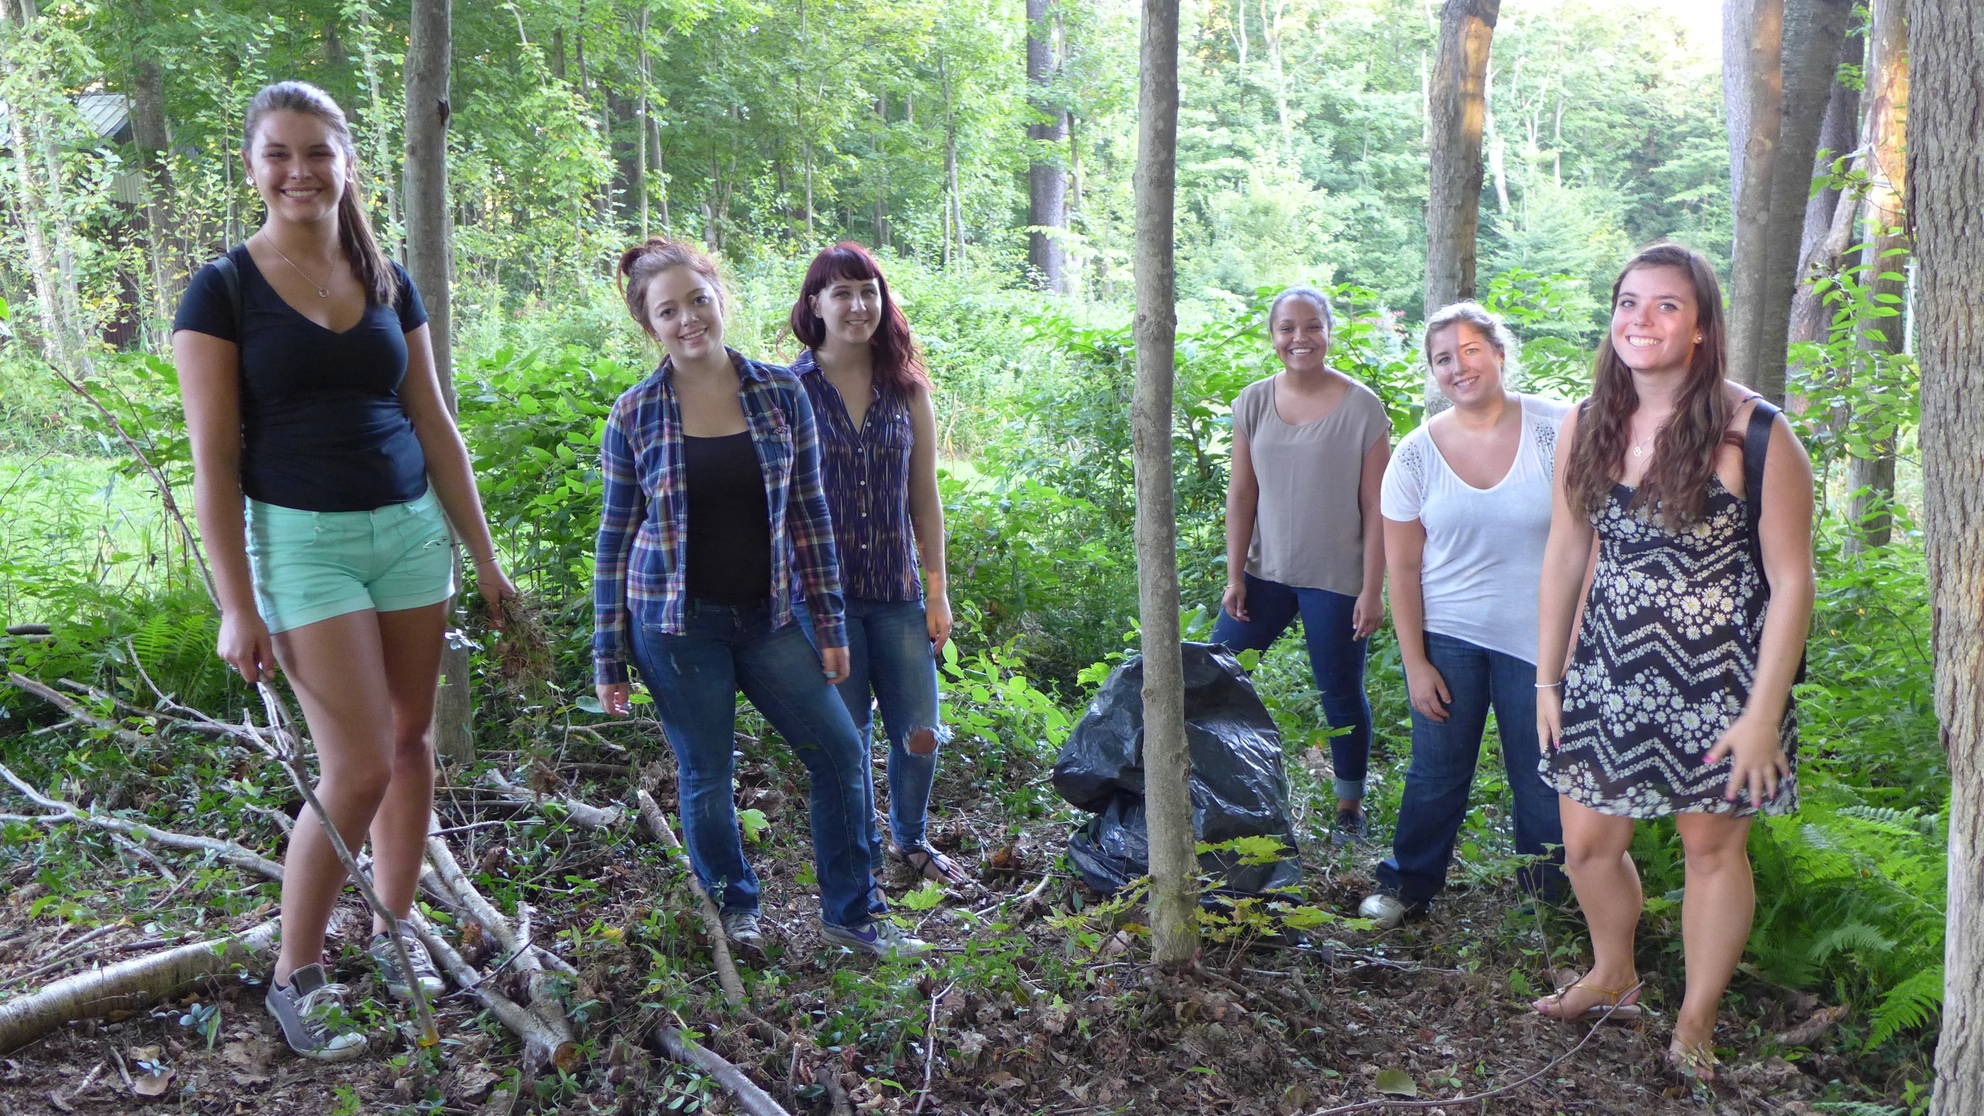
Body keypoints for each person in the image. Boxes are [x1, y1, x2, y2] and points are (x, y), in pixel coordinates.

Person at [173, 81, 515, 1061]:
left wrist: (485, 560)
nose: (299, 171)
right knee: (357, 762)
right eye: (278, 153)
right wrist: (236, 606)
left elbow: (435, 426)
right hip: (303, 546)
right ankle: (298, 974)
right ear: (252, 166)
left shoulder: (387, 276)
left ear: (348, 162)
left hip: (410, 537)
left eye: (317, 152)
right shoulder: (222, 290)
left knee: (410, 744)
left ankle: (395, 930)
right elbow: (216, 459)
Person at [592, 237, 924, 961]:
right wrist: (607, 655)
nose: (689, 320)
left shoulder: (781, 394)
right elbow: (615, 539)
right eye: (668, 311)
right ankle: (734, 909)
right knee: (708, 772)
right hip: (676, 628)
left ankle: (852, 917)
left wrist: (831, 626)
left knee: (839, 752)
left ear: (721, 298)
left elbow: (811, 517)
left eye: (698, 300)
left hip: (771, 620)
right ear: (649, 325)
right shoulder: (636, 414)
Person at [1532, 243, 1814, 1081]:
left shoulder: (1756, 432)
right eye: (1628, 303)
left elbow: (1793, 581)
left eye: (1665, 306)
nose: (1641, 320)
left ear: (1699, 327)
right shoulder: (1586, 422)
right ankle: (1612, 972)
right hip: (1607, 672)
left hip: (1725, 684)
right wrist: (1547, 677)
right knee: (1586, 844)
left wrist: (1762, 717)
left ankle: (1695, 1020)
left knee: (1711, 853)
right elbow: (1564, 550)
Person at [1358, 302, 1567, 928]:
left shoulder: (1558, 428)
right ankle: (1408, 887)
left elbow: (1590, 533)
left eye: (1471, 350)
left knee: (1541, 776)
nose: (1459, 366)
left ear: (1501, 353)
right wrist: (1416, 661)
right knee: (1437, 771)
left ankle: (1549, 905)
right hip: (1449, 635)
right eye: (1443, 359)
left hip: (1541, 639)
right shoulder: (1417, 454)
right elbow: (1402, 566)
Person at [787, 242, 965, 885]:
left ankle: (909, 840)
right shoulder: (790, 389)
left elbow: (926, 498)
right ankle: (857, 847)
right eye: (842, 293)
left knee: (920, 729)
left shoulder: (907, 389)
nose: (858, 305)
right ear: (817, 305)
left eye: (868, 291)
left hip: (897, 594)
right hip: (821, 599)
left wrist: (937, 593)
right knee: (849, 734)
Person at [1216, 286, 1390, 841]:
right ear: (1273, 337)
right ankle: (1212, 783)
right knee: (1218, 674)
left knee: (1340, 690)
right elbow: (1241, 494)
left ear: (1329, 332)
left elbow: (1378, 506)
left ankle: (1349, 808)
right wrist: (1234, 574)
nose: (1300, 338)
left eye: (1311, 326)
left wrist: (1372, 589)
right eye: (1287, 327)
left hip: (1337, 581)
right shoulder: (1253, 402)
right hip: (1264, 574)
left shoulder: (1362, 407)